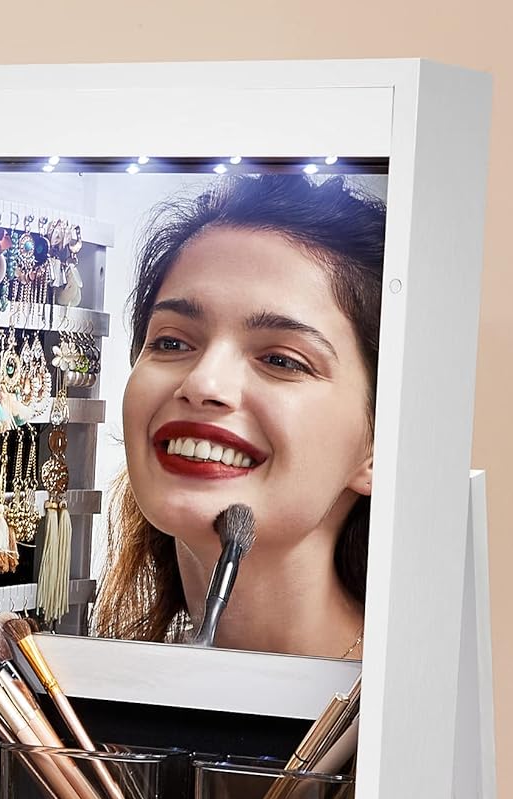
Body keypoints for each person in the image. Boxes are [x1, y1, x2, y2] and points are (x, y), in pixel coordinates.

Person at [92, 173, 386, 661]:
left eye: (282, 360)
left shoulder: (398, 725)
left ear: (380, 444)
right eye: (171, 342)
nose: (203, 384)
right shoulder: (108, 687)